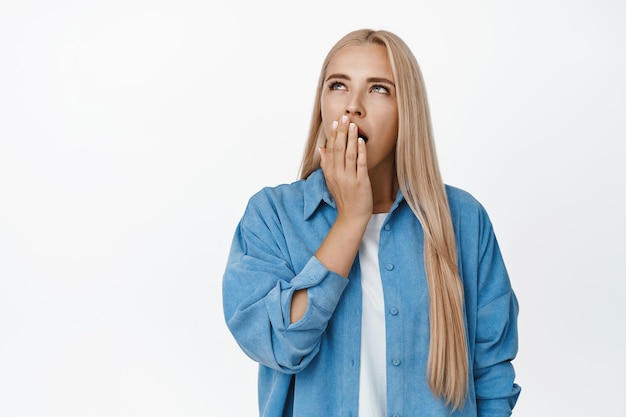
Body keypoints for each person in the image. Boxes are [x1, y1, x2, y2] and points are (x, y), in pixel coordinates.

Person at [222, 28, 521, 417]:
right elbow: (276, 344)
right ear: (321, 105)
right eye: (338, 86)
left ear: (406, 111)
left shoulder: (464, 220)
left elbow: (492, 376)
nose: (353, 106)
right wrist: (351, 218)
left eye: (378, 88)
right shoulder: (272, 217)